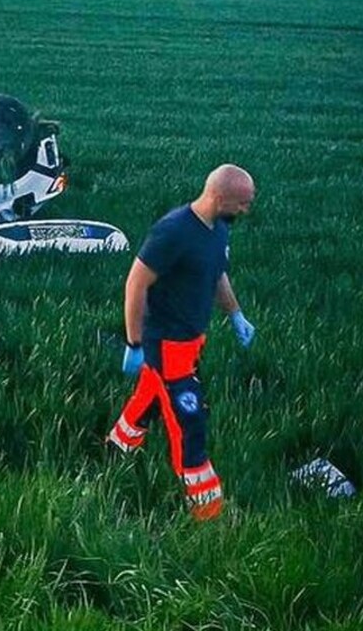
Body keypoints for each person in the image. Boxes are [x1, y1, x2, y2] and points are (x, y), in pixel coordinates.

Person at [106, 164, 257, 522]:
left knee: (149, 398)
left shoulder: (218, 230)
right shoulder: (173, 231)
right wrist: (135, 343)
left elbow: (217, 273)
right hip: (165, 344)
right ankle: (209, 509)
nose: (245, 210)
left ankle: (117, 448)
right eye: (242, 203)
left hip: (190, 343)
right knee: (189, 422)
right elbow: (135, 284)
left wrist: (236, 315)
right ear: (219, 197)